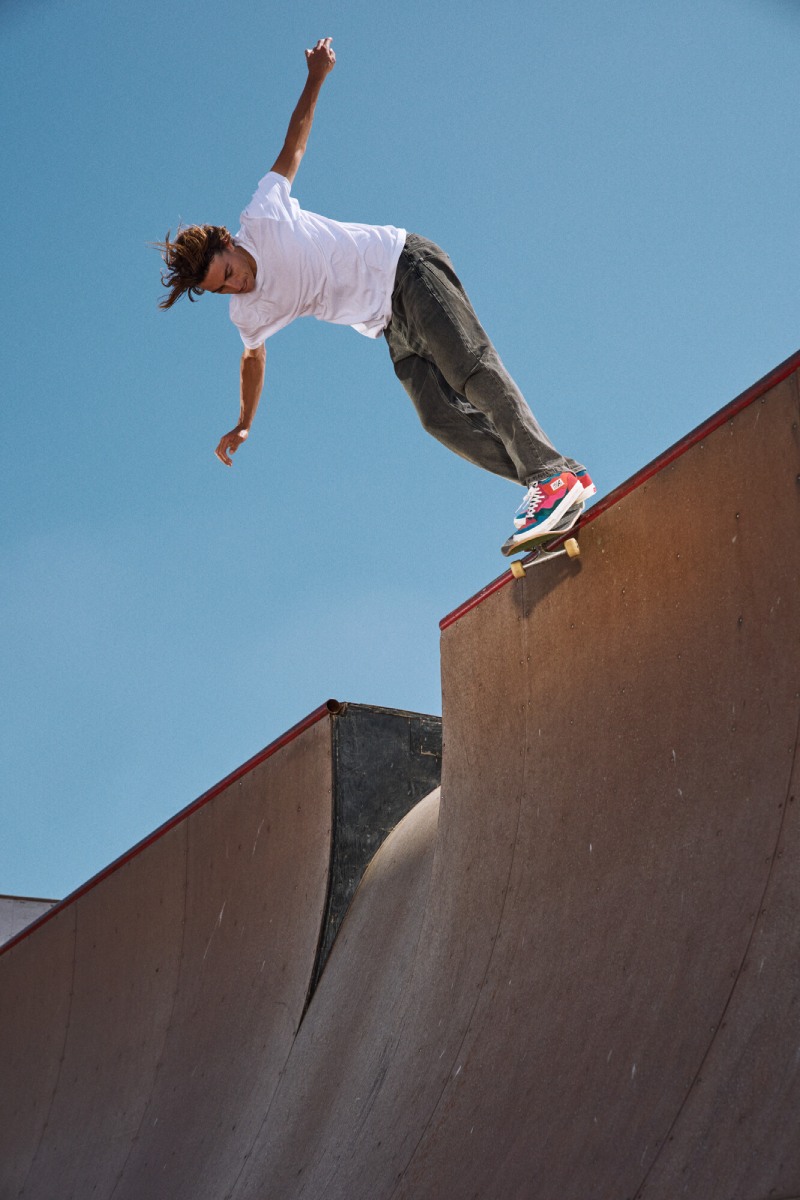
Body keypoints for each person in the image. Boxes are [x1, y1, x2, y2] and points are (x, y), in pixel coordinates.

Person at [156, 37, 593, 549]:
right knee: (439, 419)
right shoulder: (247, 312)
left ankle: (549, 477)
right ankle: (559, 480)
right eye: (224, 287)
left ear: (228, 242)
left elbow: (293, 144)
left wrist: (316, 76)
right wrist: (244, 422)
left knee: (469, 371)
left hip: (405, 267)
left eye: (229, 271)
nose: (238, 284)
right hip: (388, 325)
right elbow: (253, 358)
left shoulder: (263, 214)